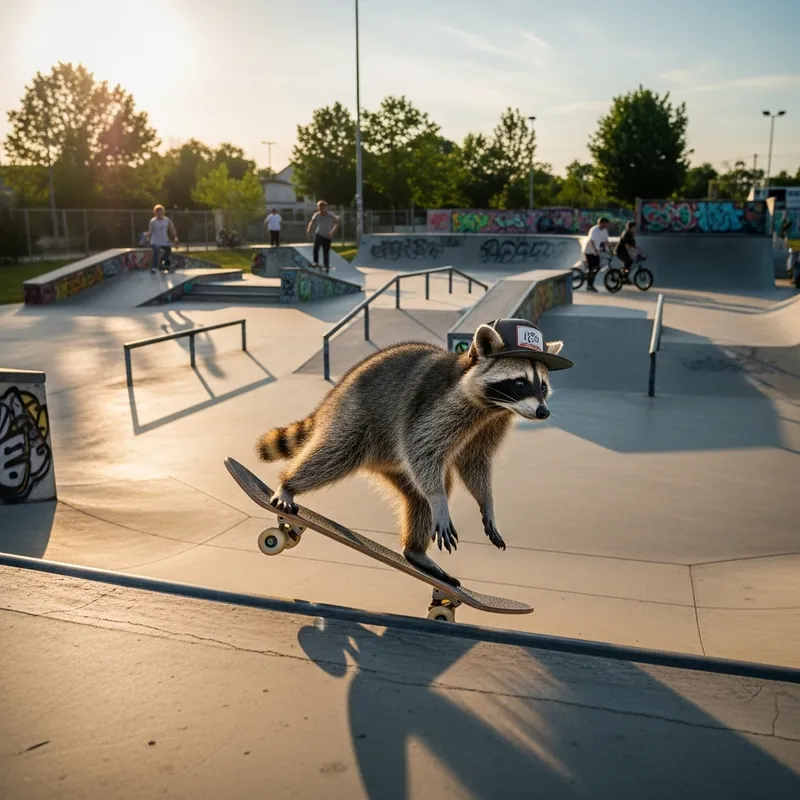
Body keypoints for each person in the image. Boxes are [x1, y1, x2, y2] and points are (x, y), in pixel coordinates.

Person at [307, 200, 339, 272]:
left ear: (326, 207)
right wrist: (309, 229)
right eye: (319, 207)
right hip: (319, 234)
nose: (321, 209)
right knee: (316, 248)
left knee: (326, 251)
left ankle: (326, 265)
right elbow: (312, 222)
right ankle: (315, 262)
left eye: (322, 207)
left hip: (327, 236)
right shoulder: (316, 214)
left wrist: (332, 232)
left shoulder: (331, 215)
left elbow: (337, 223)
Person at [146, 204, 179, 273]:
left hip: (164, 240)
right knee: (156, 252)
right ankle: (154, 267)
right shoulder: (153, 221)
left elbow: (172, 228)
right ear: (155, 213)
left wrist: (175, 237)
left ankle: (165, 265)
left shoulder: (167, 220)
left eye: (160, 212)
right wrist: (148, 238)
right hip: (155, 241)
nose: (159, 214)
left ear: (163, 212)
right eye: (157, 213)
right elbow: (150, 230)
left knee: (168, 252)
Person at [583, 216, 610, 292]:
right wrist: (595, 251)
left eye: (607, 224)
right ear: (600, 223)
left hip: (596, 252)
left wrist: (610, 249)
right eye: (605, 224)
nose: (606, 226)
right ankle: (589, 285)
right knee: (592, 268)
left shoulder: (604, 231)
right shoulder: (594, 230)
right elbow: (592, 241)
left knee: (597, 267)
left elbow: (606, 241)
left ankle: (590, 279)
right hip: (589, 251)